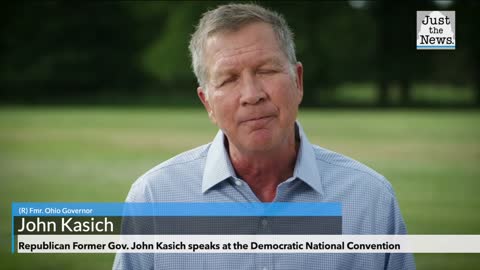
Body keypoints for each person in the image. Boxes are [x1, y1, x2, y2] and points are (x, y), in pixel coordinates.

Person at [114, 3, 415, 270]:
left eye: (267, 70)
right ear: (207, 103)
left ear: (297, 81)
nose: (252, 95)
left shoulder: (371, 199)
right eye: (229, 79)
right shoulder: (153, 200)